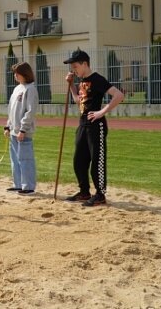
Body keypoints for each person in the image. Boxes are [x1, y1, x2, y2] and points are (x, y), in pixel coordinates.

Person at [63, 49, 125, 207]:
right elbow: (79, 100)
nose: (73, 70)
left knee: (97, 161)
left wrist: (101, 112)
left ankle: (100, 194)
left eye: (75, 66)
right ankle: (84, 192)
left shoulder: (97, 79)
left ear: (85, 64)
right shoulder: (82, 81)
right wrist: (71, 86)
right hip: (82, 124)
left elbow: (118, 95)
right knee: (79, 161)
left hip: (96, 126)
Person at [4, 62, 39, 195]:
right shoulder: (17, 88)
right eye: (15, 73)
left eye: (17, 73)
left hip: (23, 132)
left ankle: (28, 186)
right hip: (13, 130)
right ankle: (18, 184)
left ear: (25, 74)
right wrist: (8, 125)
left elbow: (30, 111)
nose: (15, 76)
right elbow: (11, 110)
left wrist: (23, 130)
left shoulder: (30, 89)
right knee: (15, 159)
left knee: (25, 159)